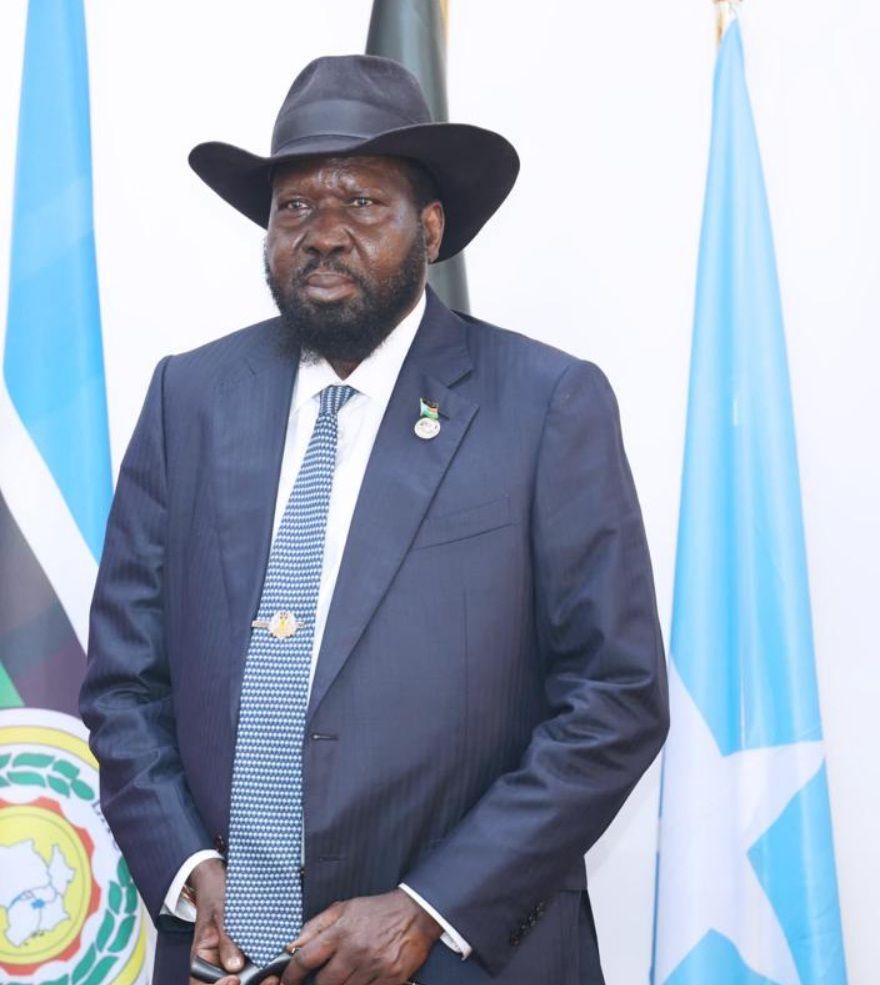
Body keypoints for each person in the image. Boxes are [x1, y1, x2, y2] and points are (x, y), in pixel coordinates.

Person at [80, 56, 668, 985]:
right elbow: (122, 683)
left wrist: (429, 906)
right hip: (224, 958)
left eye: (361, 204)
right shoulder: (188, 398)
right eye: (295, 208)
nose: (322, 234)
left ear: (429, 230)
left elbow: (616, 697)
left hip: (461, 958)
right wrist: (192, 868)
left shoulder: (547, 404)